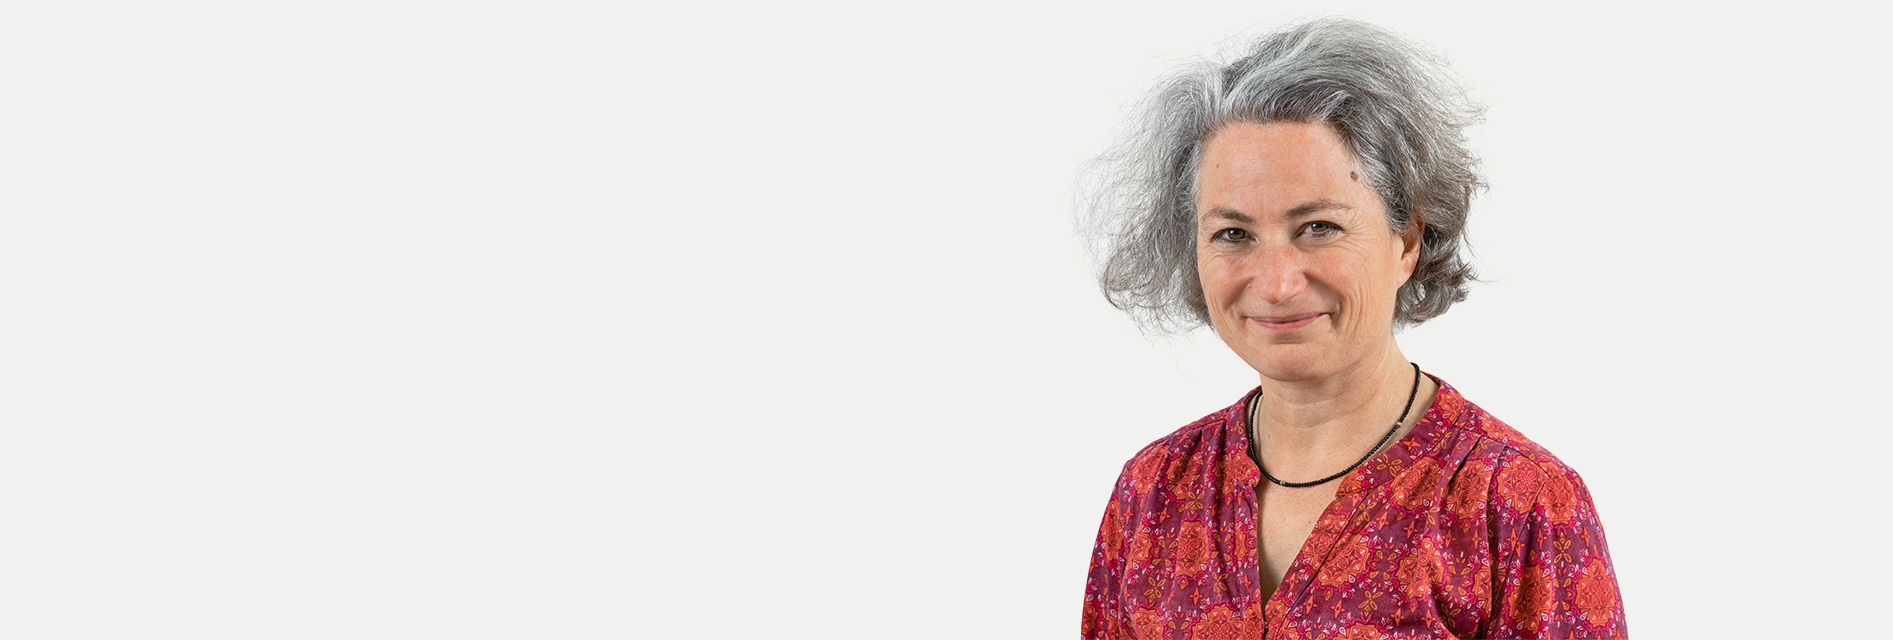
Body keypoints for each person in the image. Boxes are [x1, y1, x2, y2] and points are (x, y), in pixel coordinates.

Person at [1076, 18, 1625, 638]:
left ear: (1407, 241)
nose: (1277, 283)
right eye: (1233, 234)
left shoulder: (1520, 506)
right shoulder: (1151, 495)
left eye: (1319, 228)